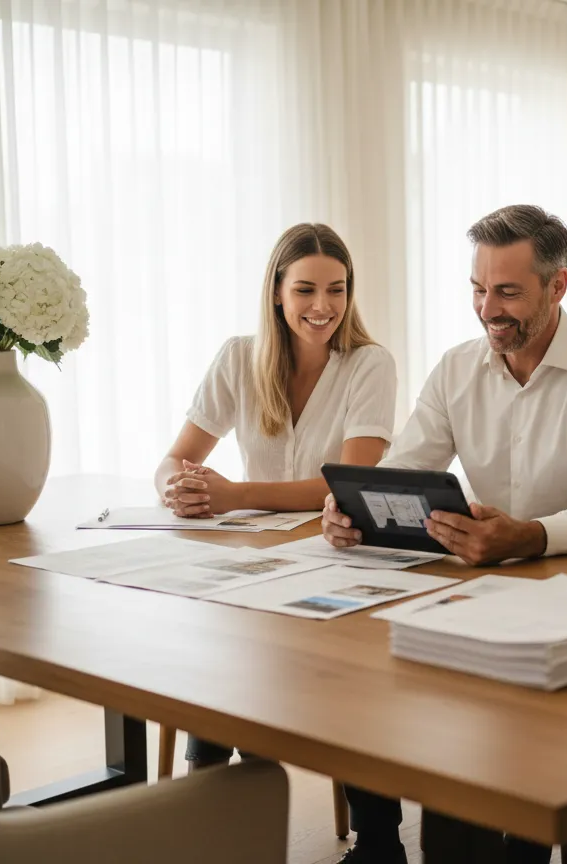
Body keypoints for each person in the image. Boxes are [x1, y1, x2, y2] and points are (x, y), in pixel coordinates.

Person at [322, 205, 567, 863]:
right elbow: (406, 469)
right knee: (359, 658)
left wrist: (527, 536)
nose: (487, 308)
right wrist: (353, 508)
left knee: (474, 718)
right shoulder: (455, 369)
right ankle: (379, 843)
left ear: (558, 286)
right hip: (480, 582)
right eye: (478, 288)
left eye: (507, 291)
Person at [155, 222, 396, 771]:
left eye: (337, 289)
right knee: (219, 640)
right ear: (277, 292)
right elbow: (174, 458)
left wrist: (233, 495)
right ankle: (213, 797)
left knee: (267, 654)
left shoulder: (370, 364)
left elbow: (348, 483)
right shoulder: (239, 358)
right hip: (253, 561)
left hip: (335, 556)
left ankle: (372, 837)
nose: (323, 305)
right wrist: (179, 489)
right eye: (305, 290)